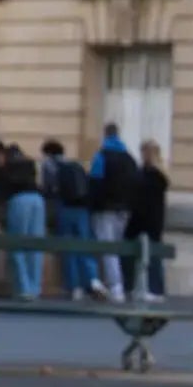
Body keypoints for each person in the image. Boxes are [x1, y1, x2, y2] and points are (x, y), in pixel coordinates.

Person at [89, 120, 140, 301]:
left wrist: (93, 205)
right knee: (117, 248)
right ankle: (118, 285)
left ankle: (114, 287)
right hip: (125, 209)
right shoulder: (130, 159)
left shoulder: (101, 156)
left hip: (105, 209)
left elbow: (94, 182)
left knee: (107, 248)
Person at [43, 137, 95, 297]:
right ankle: (92, 281)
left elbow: (48, 187)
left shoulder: (48, 165)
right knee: (85, 246)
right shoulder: (74, 165)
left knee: (68, 248)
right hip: (82, 210)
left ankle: (73, 286)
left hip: (65, 208)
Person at [1, 140, 46, 300]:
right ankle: (35, 288)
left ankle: (23, 288)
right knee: (35, 246)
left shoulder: (8, 166)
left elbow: (1, 190)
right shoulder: (29, 164)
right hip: (38, 200)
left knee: (17, 246)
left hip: (19, 200)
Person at [129, 139, 170, 301]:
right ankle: (140, 287)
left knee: (154, 256)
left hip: (151, 220)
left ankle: (156, 289)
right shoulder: (143, 172)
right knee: (140, 256)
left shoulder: (156, 175)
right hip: (141, 219)